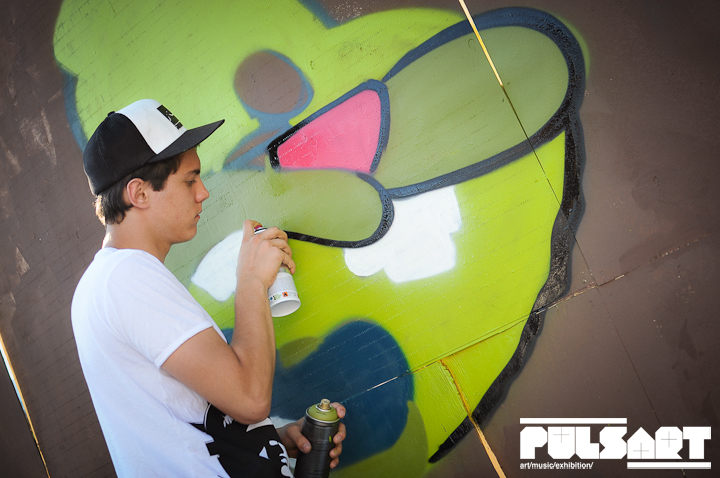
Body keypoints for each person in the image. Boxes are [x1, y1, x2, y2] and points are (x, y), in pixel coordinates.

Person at [71, 99, 345, 477]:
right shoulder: (125, 277)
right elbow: (250, 399)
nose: (203, 192)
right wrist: (252, 280)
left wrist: (274, 442)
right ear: (139, 193)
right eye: (189, 180)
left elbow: (188, 424)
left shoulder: (114, 280)